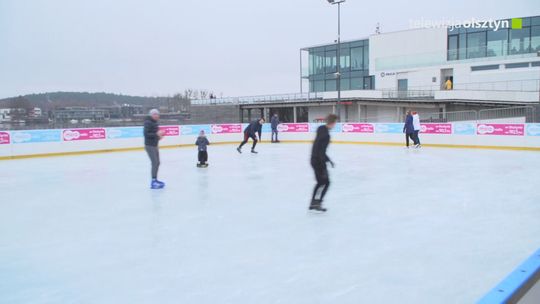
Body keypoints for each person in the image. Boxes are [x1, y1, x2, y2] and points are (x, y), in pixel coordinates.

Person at [309, 114, 337, 212]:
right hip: (318, 161)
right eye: (335, 123)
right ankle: (318, 203)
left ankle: (313, 203)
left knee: (320, 182)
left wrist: (329, 160)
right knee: (326, 182)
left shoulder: (321, 128)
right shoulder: (327, 136)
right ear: (333, 123)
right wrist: (323, 168)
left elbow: (318, 148)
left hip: (313, 159)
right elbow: (321, 152)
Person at [144, 109, 165, 189]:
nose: (156, 116)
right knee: (155, 162)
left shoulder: (155, 122)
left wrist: (159, 136)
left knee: (157, 162)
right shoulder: (147, 122)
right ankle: (153, 182)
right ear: (151, 115)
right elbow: (146, 134)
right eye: (155, 114)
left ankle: (155, 179)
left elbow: (155, 135)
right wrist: (157, 134)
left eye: (157, 114)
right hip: (149, 146)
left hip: (155, 145)